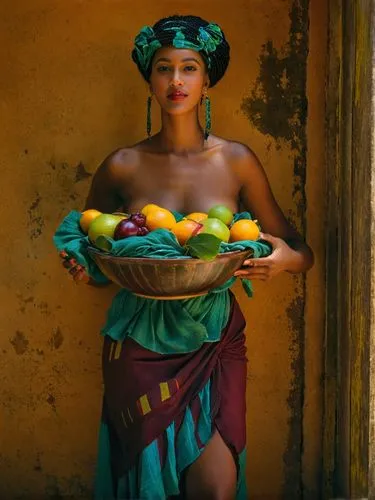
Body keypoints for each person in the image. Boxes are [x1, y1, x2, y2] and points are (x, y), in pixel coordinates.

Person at [61, 14, 314, 500]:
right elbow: (102, 263)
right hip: (139, 341)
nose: (176, 80)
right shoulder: (121, 166)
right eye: (163, 68)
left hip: (214, 337)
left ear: (207, 80)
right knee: (147, 485)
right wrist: (82, 269)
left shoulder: (235, 160)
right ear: (150, 80)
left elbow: (301, 251)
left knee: (216, 487)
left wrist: (283, 261)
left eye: (189, 68)